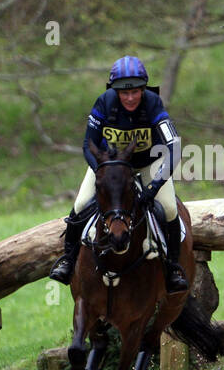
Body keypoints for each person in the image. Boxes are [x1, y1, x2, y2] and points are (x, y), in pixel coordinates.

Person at [49, 55, 189, 292]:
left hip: (147, 163)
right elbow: (87, 145)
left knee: (169, 208)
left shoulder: (153, 104)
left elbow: (173, 146)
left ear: (143, 89)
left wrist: (153, 187)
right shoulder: (104, 102)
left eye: (135, 91)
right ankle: (68, 260)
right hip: (108, 166)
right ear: (115, 91)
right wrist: (101, 172)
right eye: (124, 93)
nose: (131, 97)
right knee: (82, 203)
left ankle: (173, 268)